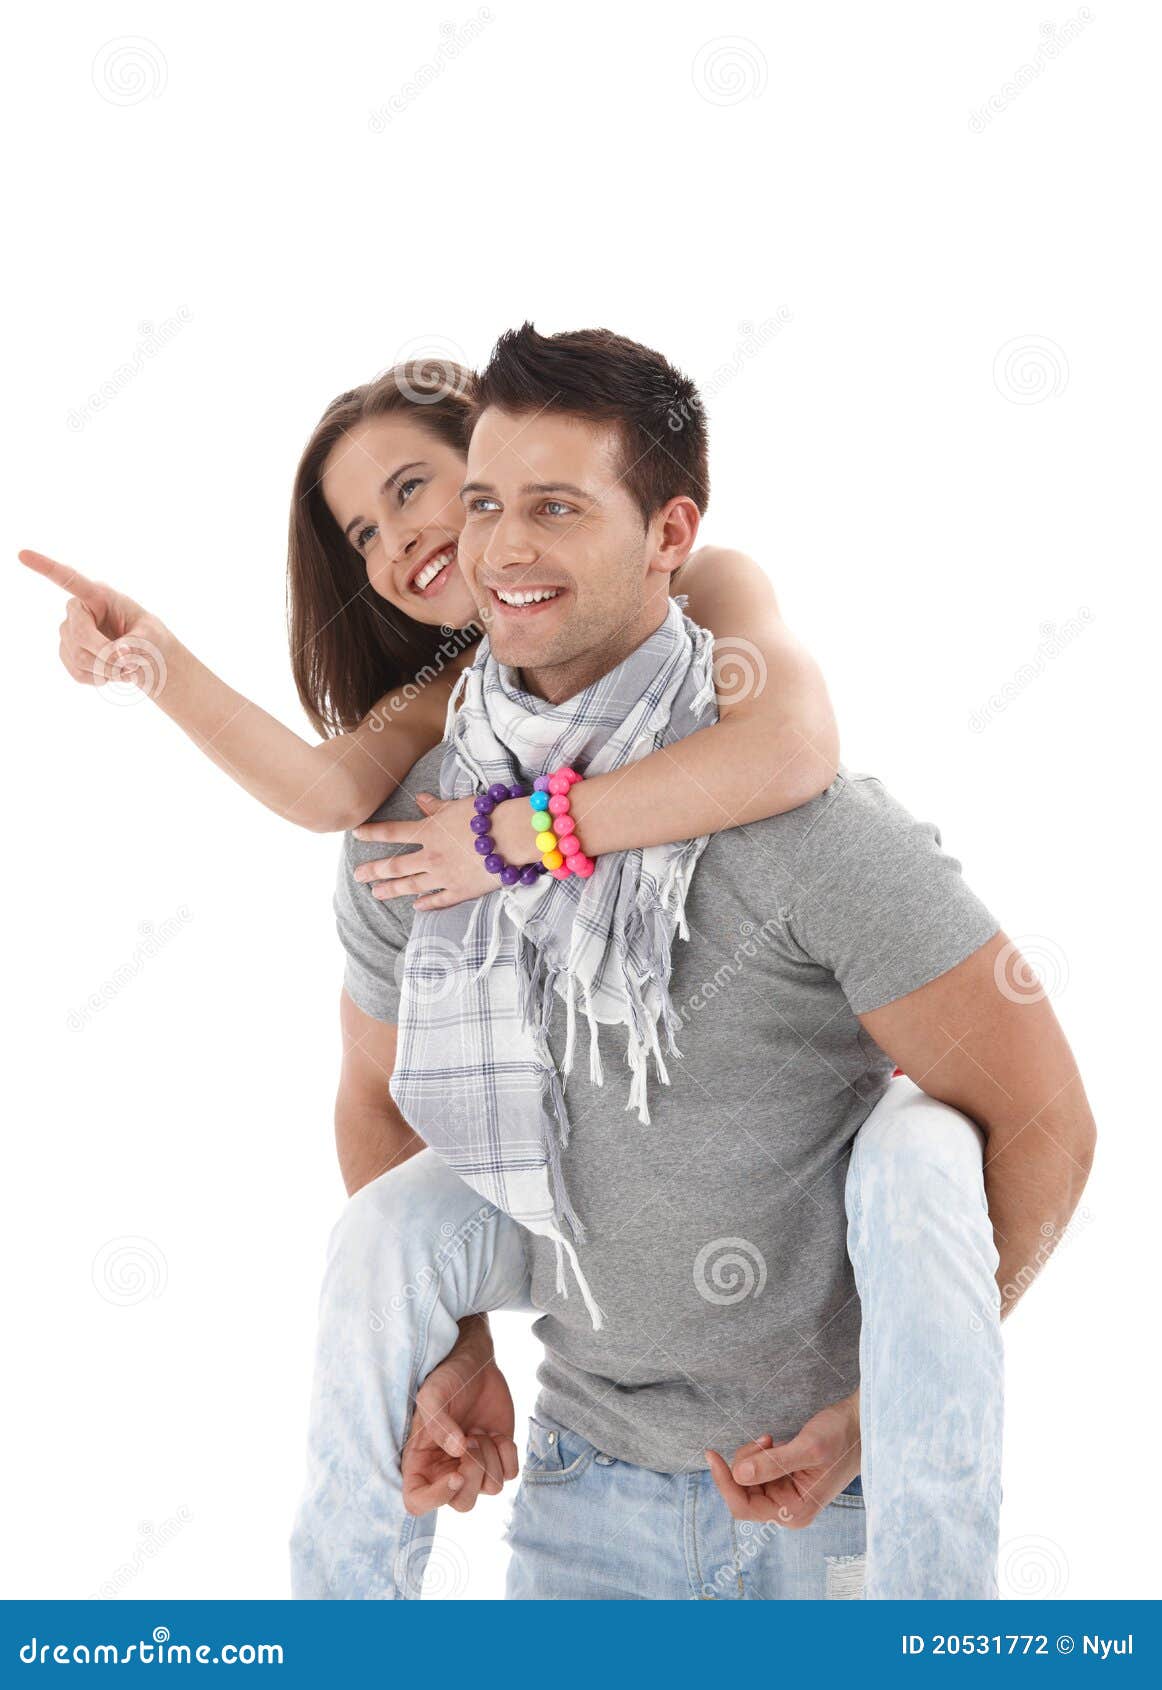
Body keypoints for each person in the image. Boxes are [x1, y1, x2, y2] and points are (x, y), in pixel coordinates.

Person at [295, 326, 1096, 1600]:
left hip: (847, 1506)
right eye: (487, 503)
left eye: (556, 508)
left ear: (670, 536)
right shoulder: (415, 835)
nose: (502, 548)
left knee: (922, 1149)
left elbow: (1044, 1117)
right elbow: (377, 1104)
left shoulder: (808, 821)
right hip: (583, 1494)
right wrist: (453, 1349)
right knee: (383, 1236)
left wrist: (880, 1407)